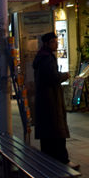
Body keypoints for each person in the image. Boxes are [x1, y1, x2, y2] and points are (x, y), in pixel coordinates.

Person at [33, 32, 76, 167]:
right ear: (47, 43)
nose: (56, 44)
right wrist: (65, 75)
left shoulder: (41, 57)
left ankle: (48, 158)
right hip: (51, 100)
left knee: (48, 133)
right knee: (56, 130)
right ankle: (62, 160)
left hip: (45, 100)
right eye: (53, 42)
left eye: (56, 41)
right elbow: (52, 77)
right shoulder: (47, 59)